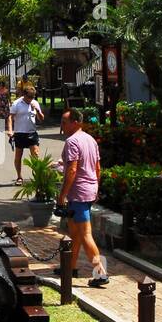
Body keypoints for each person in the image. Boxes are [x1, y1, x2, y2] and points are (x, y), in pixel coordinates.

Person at [55, 108, 108, 288]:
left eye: (65, 121)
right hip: (89, 189)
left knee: (85, 233)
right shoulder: (90, 140)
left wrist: (61, 195)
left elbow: (72, 170)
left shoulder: (72, 141)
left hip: (78, 192)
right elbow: (97, 167)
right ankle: (70, 267)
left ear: (76, 122)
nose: (62, 125)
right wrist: (96, 187)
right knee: (75, 231)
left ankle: (100, 272)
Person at [6, 84, 45, 185]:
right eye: (29, 97)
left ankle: (38, 176)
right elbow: (10, 117)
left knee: (35, 155)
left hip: (32, 132)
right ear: (24, 95)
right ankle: (19, 176)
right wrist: (10, 130)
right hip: (20, 133)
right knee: (18, 156)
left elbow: (41, 119)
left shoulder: (35, 103)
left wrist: (37, 110)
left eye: (32, 97)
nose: (30, 100)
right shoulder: (16, 103)